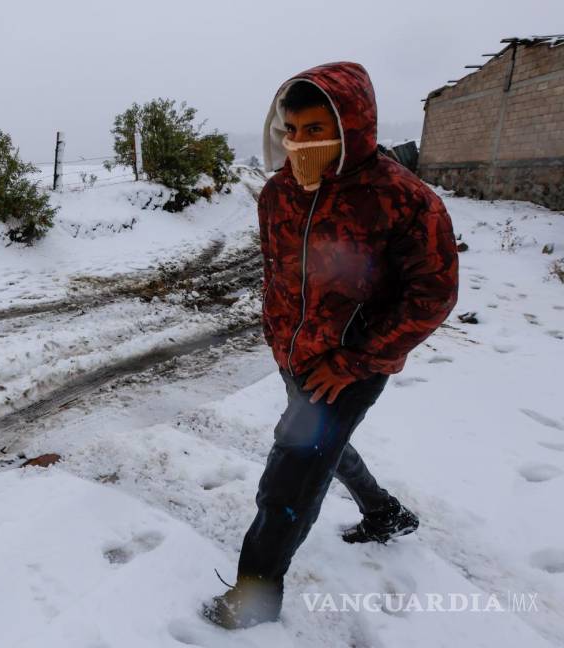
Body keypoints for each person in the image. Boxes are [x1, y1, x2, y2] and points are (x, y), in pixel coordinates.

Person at [201, 62, 459, 629]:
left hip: (352, 366)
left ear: (354, 126)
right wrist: (278, 336)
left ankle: (253, 600)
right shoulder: (277, 194)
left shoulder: (403, 200)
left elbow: (432, 294)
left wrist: (353, 360)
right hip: (295, 357)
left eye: (317, 129)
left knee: (289, 474)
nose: (300, 143)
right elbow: (278, 274)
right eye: (291, 130)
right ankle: (384, 513)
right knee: (324, 442)